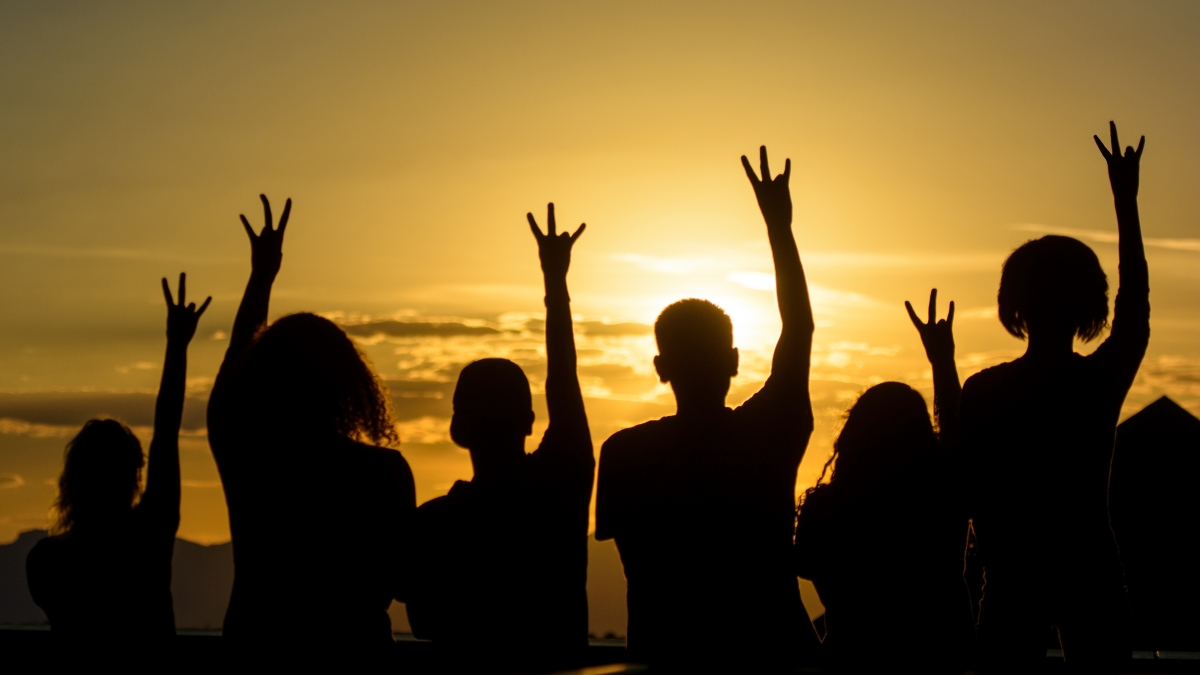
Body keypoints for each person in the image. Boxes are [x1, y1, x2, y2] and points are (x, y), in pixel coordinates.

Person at [595, 147, 819, 670]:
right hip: (773, 660)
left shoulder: (625, 454)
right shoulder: (770, 431)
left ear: (659, 367)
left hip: (667, 663)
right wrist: (779, 228)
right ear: (735, 361)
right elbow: (799, 329)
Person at [962, 123, 1150, 670]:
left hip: (1011, 580)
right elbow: (1135, 312)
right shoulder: (1092, 385)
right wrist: (1126, 203)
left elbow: (967, 490)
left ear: (1013, 305)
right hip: (1090, 573)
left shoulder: (986, 390)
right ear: (1090, 306)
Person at [206, 196, 415, 653]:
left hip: (256, 643)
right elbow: (403, 579)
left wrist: (261, 277)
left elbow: (229, 381)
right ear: (349, 385)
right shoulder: (383, 472)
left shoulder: (251, 465)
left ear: (261, 381)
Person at [406, 204, 594, 673]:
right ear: (530, 421)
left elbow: (424, 622)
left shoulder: (433, 525)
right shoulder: (562, 485)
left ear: (456, 429)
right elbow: (564, 382)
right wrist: (555, 283)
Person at [27, 274, 209, 651]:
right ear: (135, 474)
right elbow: (166, 432)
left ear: (71, 479)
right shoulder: (148, 536)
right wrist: (177, 347)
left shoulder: (46, 562)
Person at [794, 290, 974, 670]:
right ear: (923, 435)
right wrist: (942, 362)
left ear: (852, 436)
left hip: (851, 659)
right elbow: (957, 434)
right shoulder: (941, 496)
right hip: (942, 658)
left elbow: (800, 569)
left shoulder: (825, 509)